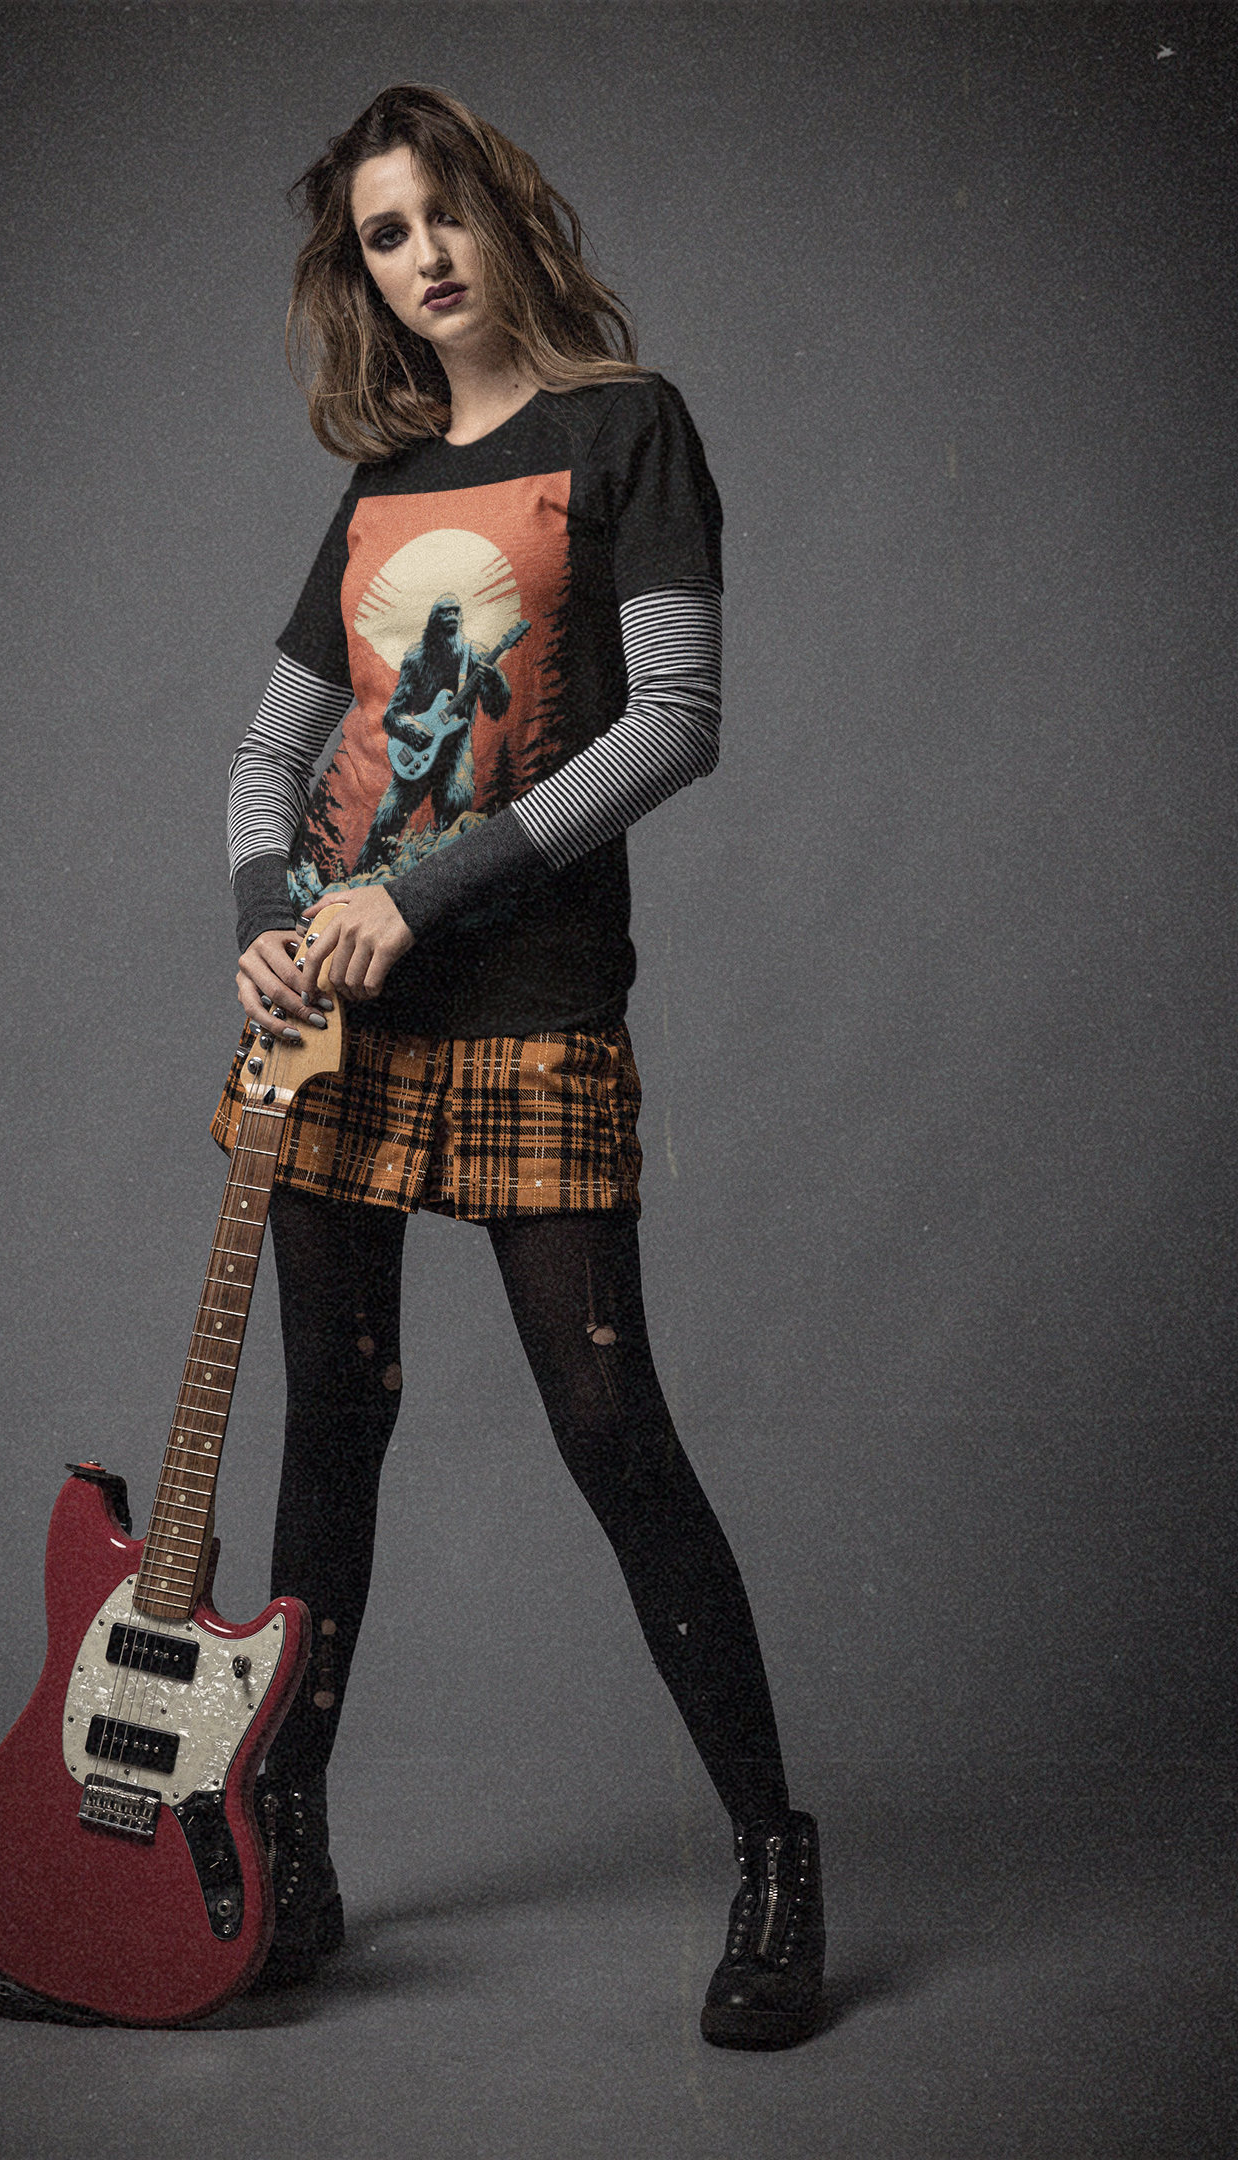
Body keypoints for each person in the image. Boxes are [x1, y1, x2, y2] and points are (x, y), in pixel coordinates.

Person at [223, 83, 824, 2051]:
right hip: (334, 1028)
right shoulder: (383, 484)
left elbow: (675, 723)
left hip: (532, 1010)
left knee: (612, 1431)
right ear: (366, 273)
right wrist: (269, 914)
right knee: (330, 1436)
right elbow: (271, 754)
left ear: (504, 212)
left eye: (444, 213)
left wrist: (424, 893)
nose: (426, 257)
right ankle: (289, 1855)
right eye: (386, 235)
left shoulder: (626, 428)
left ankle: (775, 1858)